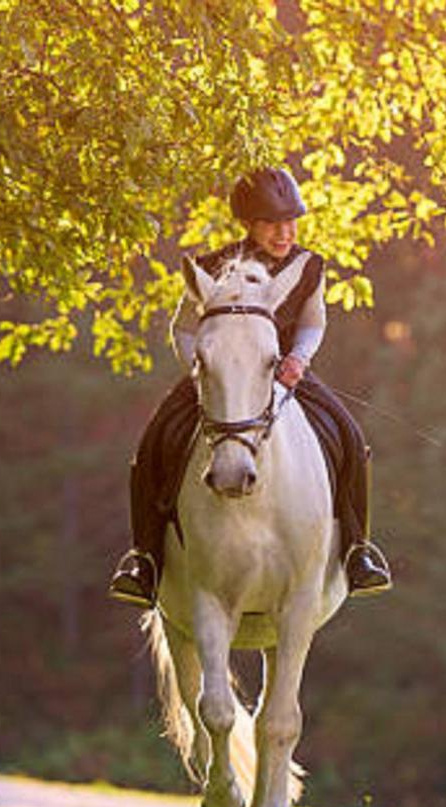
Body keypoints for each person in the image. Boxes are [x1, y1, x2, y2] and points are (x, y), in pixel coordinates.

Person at [108, 167, 392, 607]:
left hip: (285, 373)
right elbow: (182, 329)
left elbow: (315, 322)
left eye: (290, 221)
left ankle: (356, 549)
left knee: (350, 437)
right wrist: (202, 371)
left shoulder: (308, 266)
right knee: (152, 443)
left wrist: (298, 358)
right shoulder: (209, 269)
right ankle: (144, 559)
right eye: (272, 222)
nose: (284, 232)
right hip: (221, 379)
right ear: (248, 223)